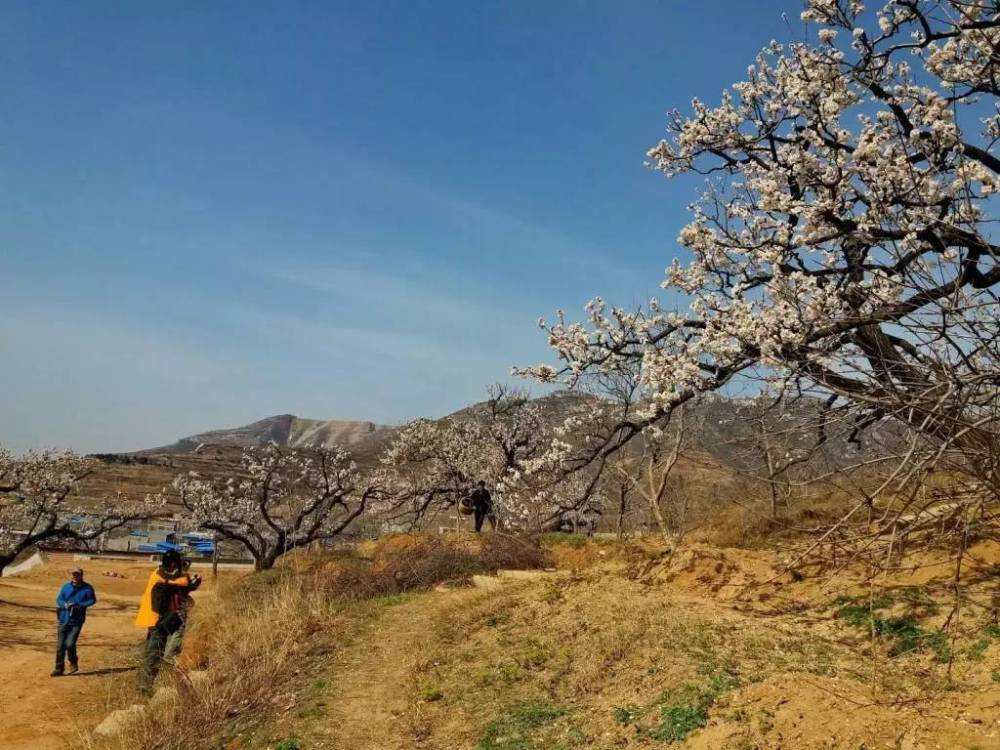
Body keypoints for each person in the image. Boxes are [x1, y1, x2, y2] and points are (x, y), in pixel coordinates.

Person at [135, 551, 201, 694]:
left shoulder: (162, 574)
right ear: (173, 565)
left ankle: (144, 685)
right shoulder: (161, 576)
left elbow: (179, 586)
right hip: (156, 622)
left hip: (160, 621)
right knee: (153, 655)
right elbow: (178, 582)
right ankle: (144, 688)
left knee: (153, 654)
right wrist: (190, 580)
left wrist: (189, 583)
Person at [52, 567, 97, 676]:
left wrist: (80, 605)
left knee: (70, 643)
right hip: (63, 619)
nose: (75, 577)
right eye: (73, 574)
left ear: (81, 575)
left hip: (77, 621)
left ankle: (73, 662)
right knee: (60, 646)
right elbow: (59, 599)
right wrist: (64, 604)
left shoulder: (87, 588)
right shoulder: (66, 587)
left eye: (77, 574)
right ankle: (59, 669)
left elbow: (92, 600)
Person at [162, 559, 197, 662]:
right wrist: (197, 580)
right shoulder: (181, 576)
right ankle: (170, 655)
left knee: (172, 631)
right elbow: (189, 587)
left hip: (172, 606)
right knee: (179, 630)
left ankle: (167, 653)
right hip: (178, 606)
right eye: (187, 567)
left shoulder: (171, 575)